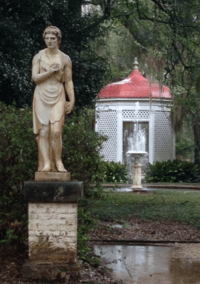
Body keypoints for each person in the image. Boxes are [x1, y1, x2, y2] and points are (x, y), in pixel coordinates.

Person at [32, 26, 75, 172]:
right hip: (42, 94)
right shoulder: (38, 56)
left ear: (58, 40)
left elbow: (68, 81)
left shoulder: (65, 58)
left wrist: (72, 100)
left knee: (56, 132)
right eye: (47, 38)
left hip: (58, 94)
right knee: (43, 132)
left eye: (53, 38)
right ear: (44, 39)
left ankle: (58, 162)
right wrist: (50, 72)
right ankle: (46, 164)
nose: (50, 41)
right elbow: (35, 78)